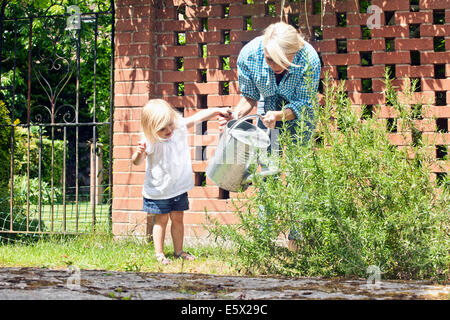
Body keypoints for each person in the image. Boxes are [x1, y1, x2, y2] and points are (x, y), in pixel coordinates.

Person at [219, 21, 321, 251]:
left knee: (298, 173)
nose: (273, 64)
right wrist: (234, 115)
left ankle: (296, 243)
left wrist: (280, 115)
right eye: (269, 58)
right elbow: (250, 96)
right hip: (267, 113)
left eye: (281, 60)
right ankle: (265, 243)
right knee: (267, 173)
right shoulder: (248, 56)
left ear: (293, 52)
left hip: (298, 115)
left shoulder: (309, 60)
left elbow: (305, 103)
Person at [132, 99, 231, 265]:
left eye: (170, 124)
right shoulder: (149, 140)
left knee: (178, 219)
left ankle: (179, 252)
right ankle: (159, 253)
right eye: (162, 129)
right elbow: (137, 162)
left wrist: (216, 110)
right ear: (151, 129)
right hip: (159, 190)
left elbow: (198, 117)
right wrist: (138, 152)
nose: (169, 130)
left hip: (178, 188)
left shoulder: (178, 127)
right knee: (161, 221)